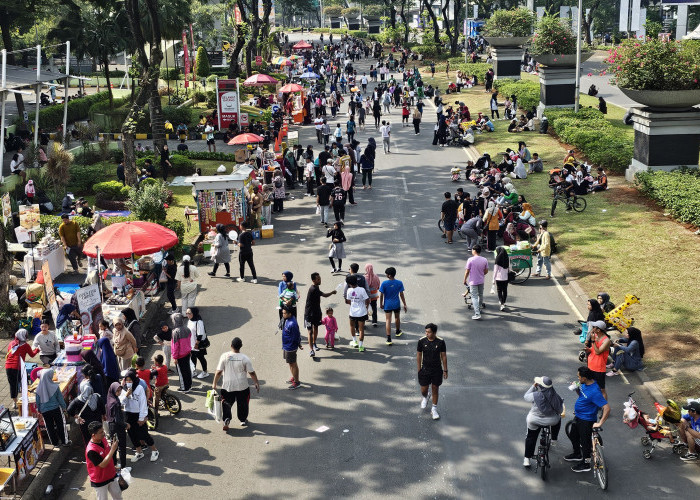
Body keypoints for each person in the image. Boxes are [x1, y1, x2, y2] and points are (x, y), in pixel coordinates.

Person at [565, 367, 610, 473]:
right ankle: (577, 454)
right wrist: (576, 389)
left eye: (579, 376)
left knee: (586, 444)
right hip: (579, 416)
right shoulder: (585, 384)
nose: (578, 378)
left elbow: (607, 408)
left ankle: (585, 464)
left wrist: (600, 423)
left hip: (586, 420)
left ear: (584, 378)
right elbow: (582, 396)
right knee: (573, 435)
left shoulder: (595, 391)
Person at [213, 337, 260, 431]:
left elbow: (218, 372)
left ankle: (226, 419)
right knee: (243, 403)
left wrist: (214, 384)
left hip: (227, 386)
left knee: (226, 403)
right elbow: (252, 373)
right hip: (242, 387)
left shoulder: (224, 356)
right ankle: (242, 420)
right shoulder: (245, 358)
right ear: (240, 346)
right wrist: (256, 382)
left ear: (231, 345)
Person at [523, 376, 563, 467]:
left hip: (534, 420)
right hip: (551, 421)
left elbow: (525, 397)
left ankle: (527, 459)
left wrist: (533, 386)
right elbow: (560, 410)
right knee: (558, 418)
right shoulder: (555, 396)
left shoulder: (535, 395)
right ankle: (554, 439)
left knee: (531, 437)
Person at [121, 370, 159, 463]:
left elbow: (143, 403)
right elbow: (122, 403)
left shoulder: (139, 388)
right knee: (132, 434)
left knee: (143, 434)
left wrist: (142, 417)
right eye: (127, 380)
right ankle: (139, 452)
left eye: (130, 380)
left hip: (138, 414)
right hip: (128, 414)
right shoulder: (123, 389)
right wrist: (126, 395)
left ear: (134, 379)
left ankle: (154, 450)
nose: (129, 382)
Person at [417, 323, 448, 421]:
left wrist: (445, 370)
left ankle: (434, 409)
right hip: (425, 370)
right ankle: (426, 397)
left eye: (429, 332)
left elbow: (443, 356)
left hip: (437, 370)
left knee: (435, 388)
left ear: (434, 332)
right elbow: (419, 355)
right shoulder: (421, 341)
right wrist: (419, 369)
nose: (427, 334)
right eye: (426, 331)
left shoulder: (440, 342)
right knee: (423, 390)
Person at [85, 421, 122, 499]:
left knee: (118, 496)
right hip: (100, 480)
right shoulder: (91, 450)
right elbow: (102, 465)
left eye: (103, 431)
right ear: (93, 435)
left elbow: (107, 455)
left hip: (111, 475)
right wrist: (113, 450)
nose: (104, 433)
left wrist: (113, 467)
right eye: (101, 432)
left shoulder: (103, 439)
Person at [304, 272, 337, 357]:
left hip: (316, 313)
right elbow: (324, 295)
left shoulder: (316, 287)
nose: (320, 280)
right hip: (309, 314)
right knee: (310, 331)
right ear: (313, 280)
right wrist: (332, 292)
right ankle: (311, 350)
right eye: (318, 279)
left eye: (320, 278)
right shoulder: (313, 289)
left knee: (316, 327)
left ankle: (314, 344)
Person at [6, 329, 39, 409]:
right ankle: (25, 400)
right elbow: (32, 355)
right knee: (23, 383)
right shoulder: (26, 345)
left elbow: (8, 353)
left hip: (8, 367)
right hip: (18, 367)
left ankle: (15, 403)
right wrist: (37, 350)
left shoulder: (11, 343)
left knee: (13, 385)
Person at [35, 368, 68, 447]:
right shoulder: (55, 387)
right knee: (60, 425)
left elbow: (37, 402)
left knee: (49, 427)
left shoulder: (38, 389)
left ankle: (55, 443)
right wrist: (64, 407)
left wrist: (39, 410)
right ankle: (64, 441)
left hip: (45, 411)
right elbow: (60, 399)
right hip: (56, 409)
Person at [67, 381, 106, 446]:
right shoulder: (97, 397)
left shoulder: (77, 400)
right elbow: (103, 409)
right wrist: (103, 416)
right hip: (97, 423)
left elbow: (69, 410)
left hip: (85, 424)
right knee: (99, 438)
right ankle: (100, 451)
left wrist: (77, 416)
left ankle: (90, 453)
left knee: (88, 440)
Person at [378, 266, 407, 345]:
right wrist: (404, 304)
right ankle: (397, 331)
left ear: (390, 275)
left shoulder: (384, 283)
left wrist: (381, 304)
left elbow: (381, 295)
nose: (386, 275)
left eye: (386, 274)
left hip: (387, 304)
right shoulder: (399, 283)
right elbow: (401, 294)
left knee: (388, 320)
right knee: (397, 317)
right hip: (396, 303)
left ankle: (389, 338)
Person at [105, 382, 128, 472]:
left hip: (111, 426)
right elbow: (118, 420)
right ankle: (123, 467)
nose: (119, 392)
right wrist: (126, 424)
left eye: (120, 390)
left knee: (113, 445)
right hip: (118, 427)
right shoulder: (115, 402)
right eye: (117, 390)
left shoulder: (110, 397)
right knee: (122, 446)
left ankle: (114, 464)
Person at [585, 321, 611, 400]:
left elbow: (598, 351)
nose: (592, 328)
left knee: (601, 389)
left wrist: (593, 341)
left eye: (594, 327)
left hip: (599, 368)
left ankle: (604, 407)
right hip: (591, 365)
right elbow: (593, 349)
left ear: (598, 330)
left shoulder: (606, 340)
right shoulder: (595, 336)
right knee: (591, 386)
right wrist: (588, 350)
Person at [345, 275, 370, 352]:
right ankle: (360, 346)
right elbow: (367, 299)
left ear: (349, 283)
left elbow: (348, 301)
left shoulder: (349, 290)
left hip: (352, 312)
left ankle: (354, 341)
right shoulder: (362, 289)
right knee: (361, 329)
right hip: (361, 312)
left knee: (352, 326)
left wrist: (353, 303)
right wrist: (366, 306)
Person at [464, 245, 488, 320]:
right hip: (481, 280)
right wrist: (481, 274)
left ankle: (477, 313)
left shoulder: (470, 260)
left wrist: (464, 279)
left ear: (474, 250)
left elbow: (467, 271)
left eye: (472, 249)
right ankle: (479, 307)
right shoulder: (484, 260)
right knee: (480, 294)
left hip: (473, 281)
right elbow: (486, 270)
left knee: (474, 296)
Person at [281, 306, 302, 390]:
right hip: (286, 346)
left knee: (293, 364)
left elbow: (296, 336)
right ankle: (294, 376)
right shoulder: (288, 319)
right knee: (291, 363)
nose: (283, 314)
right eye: (282, 312)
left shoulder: (292, 324)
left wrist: (298, 344)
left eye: (284, 313)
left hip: (290, 347)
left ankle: (297, 382)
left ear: (289, 313)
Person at [171, 313, 192, 393]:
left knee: (181, 372)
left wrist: (175, 357)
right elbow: (189, 341)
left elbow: (176, 346)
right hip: (187, 353)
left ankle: (184, 388)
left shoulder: (175, 332)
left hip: (180, 356)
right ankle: (189, 385)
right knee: (187, 370)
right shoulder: (187, 329)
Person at [186, 307, 209, 379]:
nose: (187, 315)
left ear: (194, 313)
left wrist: (196, 344)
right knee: (192, 358)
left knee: (201, 358)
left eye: (189, 313)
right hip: (191, 344)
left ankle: (205, 372)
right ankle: (194, 371)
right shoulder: (190, 320)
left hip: (197, 344)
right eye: (187, 313)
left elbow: (200, 335)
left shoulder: (199, 322)